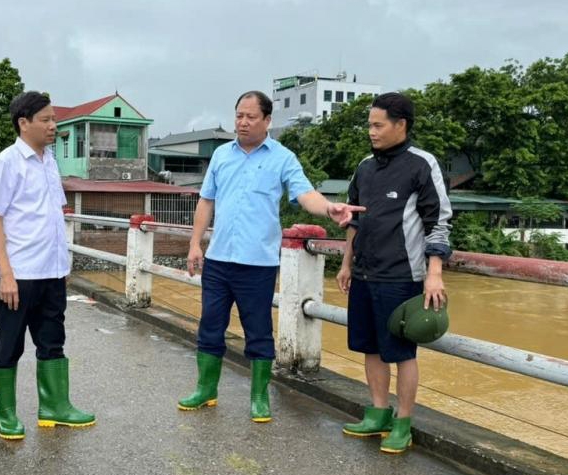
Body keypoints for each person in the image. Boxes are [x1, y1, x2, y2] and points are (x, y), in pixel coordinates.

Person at [178, 91, 365, 422]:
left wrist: (329, 208)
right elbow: (206, 202)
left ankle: (259, 397)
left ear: (267, 121)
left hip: (258, 263)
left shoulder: (283, 158)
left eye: (250, 117)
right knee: (210, 326)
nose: (243, 122)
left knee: (259, 331)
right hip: (219, 259)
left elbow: (304, 193)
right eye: (239, 115)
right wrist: (195, 244)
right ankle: (206, 390)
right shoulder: (221, 155)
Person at [338, 92, 452, 453]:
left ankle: (403, 422)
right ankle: (378, 412)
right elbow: (353, 219)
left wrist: (434, 272)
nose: (371, 131)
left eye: (378, 125)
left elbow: (439, 222)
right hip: (365, 272)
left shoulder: (422, 164)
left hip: (402, 276)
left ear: (400, 125)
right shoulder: (365, 167)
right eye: (369, 125)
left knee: (402, 353)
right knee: (370, 348)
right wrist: (345, 263)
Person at [0, 91, 94, 441]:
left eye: (54, 119)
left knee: (52, 340)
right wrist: (6, 274)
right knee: (9, 343)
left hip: (51, 271)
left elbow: (51, 215)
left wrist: (62, 265)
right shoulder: (7, 163)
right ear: (23, 123)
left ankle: (55, 407)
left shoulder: (49, 160)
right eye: (45, 120)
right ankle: (5, 412)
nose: (53, 126)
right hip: (21, 273)